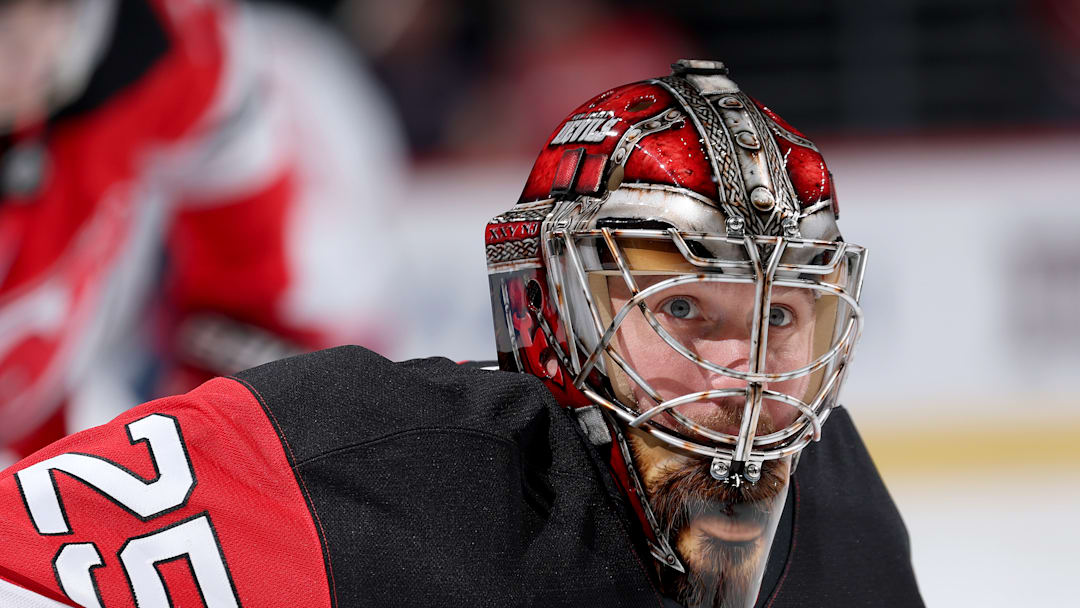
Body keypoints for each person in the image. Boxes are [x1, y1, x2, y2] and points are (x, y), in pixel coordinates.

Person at [0, 60, 923, 607]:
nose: (743, 369)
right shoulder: (365, 456)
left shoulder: (841, 509)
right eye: (683, 308)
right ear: (555, 312)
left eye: (782, 316)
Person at [0, 0, 404, 465]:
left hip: (63, 412)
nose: (28, 46)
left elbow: (247, 288)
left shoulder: (161, 46)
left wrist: (228, 422)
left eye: (48, 9)